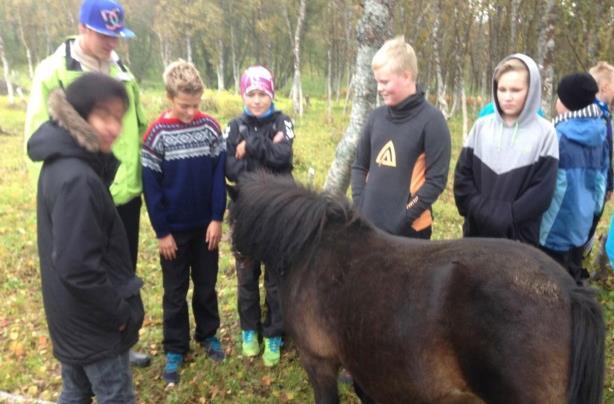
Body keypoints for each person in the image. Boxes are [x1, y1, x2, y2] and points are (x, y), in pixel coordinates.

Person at [24, 0, 150, 367]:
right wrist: (55, 200)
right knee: (84, 268)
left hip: (122, 189)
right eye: (104, 35)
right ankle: (95, 350)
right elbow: (41, 136)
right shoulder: (55, 71)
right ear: (82, 28)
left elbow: (137, 122)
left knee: (119, 268)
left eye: (116, 36)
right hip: (79, 194)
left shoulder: (122, 71)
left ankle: (120, 343)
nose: (112, 43)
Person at [27, 73, 144, 403]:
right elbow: (77, 267)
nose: (114, 128)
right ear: (78, 114)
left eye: (118, 118)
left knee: (75, 392)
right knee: (115, 395)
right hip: (95, 324)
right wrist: (119, 314)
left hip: (71, 316)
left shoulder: (62, 161)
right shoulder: (78, 178)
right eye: (104, 116)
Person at [141, 60, 226, 385]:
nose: (190, 112)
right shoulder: (156, 134)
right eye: (183, 105)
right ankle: (176, 347)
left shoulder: (210, 128)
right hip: (173, 233)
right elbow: (152, 187)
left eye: (195, 105)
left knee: (206, 286)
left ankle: (208, 334)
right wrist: (162, 232)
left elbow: (219, 175)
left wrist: (217, 218)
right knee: (174, 292)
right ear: (169, 97)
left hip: (206, 228)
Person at [225, 65, 295, 367]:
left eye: (262, 94)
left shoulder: (284, 121)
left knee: (277, 277)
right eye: (251, 94)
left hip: (277, 214)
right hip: (244, 214)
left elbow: (284, 158)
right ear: (243, 95)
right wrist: (266, 152)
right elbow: (230, 169)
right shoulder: (233, 126)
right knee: (246, 276)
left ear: (272, 95)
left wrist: (251, 146)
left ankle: (276, 331)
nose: (256, 100)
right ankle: (250, 330)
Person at [351, 36, 451, 239]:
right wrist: (361, 205)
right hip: (369, 228)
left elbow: (436, 181)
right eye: (377, 81)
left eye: (384, 81)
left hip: (410, 234)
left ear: (406, 76)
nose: (379, 88)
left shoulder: (432, 121)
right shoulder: (376, 118)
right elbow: (359, 166)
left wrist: (404, 218)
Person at [454, 54, 558, 246]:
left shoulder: (545, 133)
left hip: (519, 239)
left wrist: (508, 215)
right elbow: (462, 177)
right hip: (476, 233)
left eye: (515, 90)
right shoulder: (481, 126)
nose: (507, 97)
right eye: (502, 89)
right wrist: (480, 210)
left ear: (531, 90)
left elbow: (542, 192)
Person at [539, 73, 607, 285]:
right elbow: (600, 182)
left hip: (553, 226)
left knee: (548, 278)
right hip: (581, 222)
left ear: (566, 103)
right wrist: (591, 212)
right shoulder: (600, 132)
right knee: (571, 272)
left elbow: (547, 185)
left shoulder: (557, 136)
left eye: (560, 98)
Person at [582, 61, 614, 255]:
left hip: (601, 182)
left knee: (594, 218)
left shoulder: (605, 113)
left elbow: (608, 153)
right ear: (605, 87)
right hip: (591, 182)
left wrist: (610, 183)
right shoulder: (592, 114)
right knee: (587, 220)